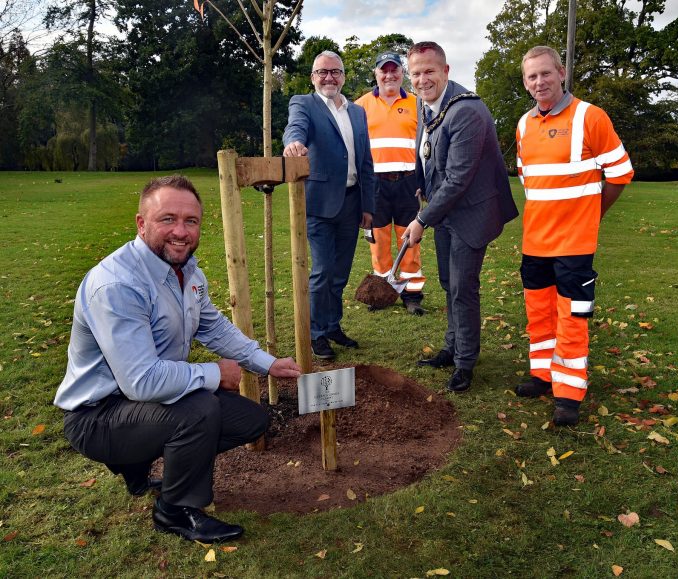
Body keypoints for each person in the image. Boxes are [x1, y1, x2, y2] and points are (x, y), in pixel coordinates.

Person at [54, 175, 301, 543]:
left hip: (142, 404)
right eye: (167, 219)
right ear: (141, 224)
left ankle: (134, 462)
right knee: (199, 410)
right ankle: (176, 511)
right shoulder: (118, 285)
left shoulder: (188, 273)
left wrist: (267, 364)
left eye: (191, 221)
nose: (181, 232)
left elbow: (214, 327)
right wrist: (215, 373)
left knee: (250, 419)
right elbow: (141, 381)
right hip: (97, 416)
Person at [514, 46, 634, 426]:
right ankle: (543, 375)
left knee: (572, 316)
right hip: (535, 243)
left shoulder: (589, 116)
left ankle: (568, 393)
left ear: (561, 72)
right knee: (539, 313)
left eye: (545, 74)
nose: (539, 82)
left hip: (574, 246)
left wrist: (591, 216)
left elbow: (620, 173)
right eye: (531, 77)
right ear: (525, 82)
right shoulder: (523, 125)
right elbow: (528, 182)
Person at [403, 41, 518, 393]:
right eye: (417, 74)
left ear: (446, 71)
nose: (423, 80)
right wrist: (423, 193)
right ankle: (451, 349)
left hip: (472, 213)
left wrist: (421, 220)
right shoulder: (429, 107)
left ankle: (465, 363)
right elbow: (429, 159)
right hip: (445, 211)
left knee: (463, 289)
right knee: (449, 285)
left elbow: (459, 177)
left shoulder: (466, 110)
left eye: (429, 72)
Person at [283, 50, 376, 361]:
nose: (329, 77)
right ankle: (316, 334)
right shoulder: (304, 103)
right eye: (322, 72)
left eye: (335, 72)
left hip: (351, 203)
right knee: (322, 271)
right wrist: (293, 143)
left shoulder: (358, 112)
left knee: (340, 272)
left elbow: (365, 159)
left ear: (343, 77)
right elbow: (295, 127)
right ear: (313, 77)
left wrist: (367, 205)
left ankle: (332, 325)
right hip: (320, 204)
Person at [355, 51, 425, 315]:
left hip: (409, 182)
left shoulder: (417, 104)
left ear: (402, 73)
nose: (389, 75)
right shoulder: (360, 105)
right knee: (379, 239)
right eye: (384, 70)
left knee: (410, 238)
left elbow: (425, 145)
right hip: (374, 186)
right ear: (376, 73)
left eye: (394, 69)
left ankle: (412, 294)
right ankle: (382, 290)